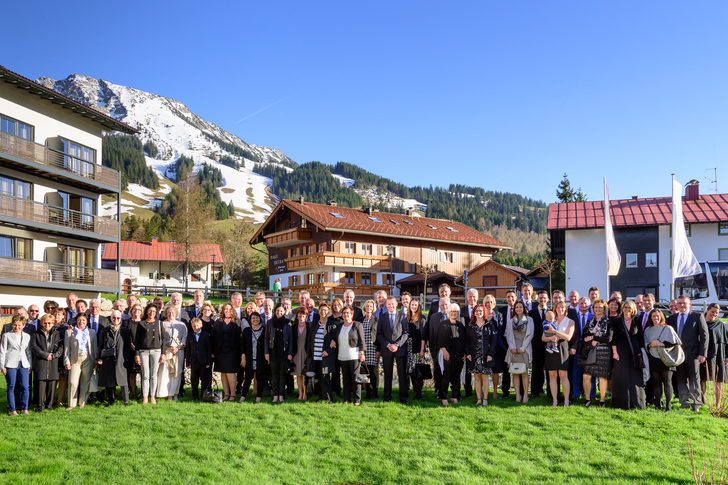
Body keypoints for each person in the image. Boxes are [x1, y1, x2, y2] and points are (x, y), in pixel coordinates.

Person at [667, 295, 708, 412]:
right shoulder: (672, 318)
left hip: (693, 354)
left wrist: (702, 353)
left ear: (689, 304)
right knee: (680, 378)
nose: (681, 305)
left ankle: (696, 403)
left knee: (694, 379)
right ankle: (684, 401)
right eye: (679, 303)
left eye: (684, 303)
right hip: (677, 355)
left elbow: (705, 336)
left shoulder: (697, 316)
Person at [610, 300, 646, 410]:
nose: (627, 309)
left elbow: (640, 337)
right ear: (622, 309)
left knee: (635, 377)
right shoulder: (617, 321)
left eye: (629, 307)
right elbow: (614, 338)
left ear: (633, 309)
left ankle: (637, 403)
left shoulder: (637, 320)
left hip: (635, 351)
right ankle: (621, 403)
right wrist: (615, 353)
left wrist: (642, 353)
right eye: (625, 307)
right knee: (621, 376)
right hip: (621, 351)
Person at [644, 309, 680, 410]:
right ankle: (658, 404)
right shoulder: (648, 330)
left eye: (657, 316)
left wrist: (661, 344)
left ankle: (668, 405)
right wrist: (651, 344)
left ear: (661, 317)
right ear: (650, 318)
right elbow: (645, 344)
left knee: (667, 381)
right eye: (653, 316)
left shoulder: (668, 328)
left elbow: (675, 343)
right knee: (656, 381)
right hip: (653, 357)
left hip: (666, 358)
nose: (656, 318)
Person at [377, 296, 410, 404]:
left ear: (396, 304)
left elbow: (406, 333)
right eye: (389, 304)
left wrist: (397, 345)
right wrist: (387, 345)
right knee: (387, 374)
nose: (391, 306)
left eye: (392, 304)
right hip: (387, 350)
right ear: (386, 305)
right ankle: (387, 397)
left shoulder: (403, 316)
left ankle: (403, 398)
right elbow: (379, 334)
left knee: (402, 375)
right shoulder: (382, 317)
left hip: (400, 349)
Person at [330, 306, 366, 405]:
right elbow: (333, 336)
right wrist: (332, 341)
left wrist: (362, 353)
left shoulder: (357, 325)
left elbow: (362, 340)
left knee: (355, 378)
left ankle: (357, 399)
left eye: (348, 313)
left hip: (354, 355)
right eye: (344, 313)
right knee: (345, 378)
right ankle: (346, 398)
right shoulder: (339, 326)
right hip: (342, 355)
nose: (346, 314)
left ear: (352, 314)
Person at [580, 299, 612, 407]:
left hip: (603, 352)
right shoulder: (590, 321)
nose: (598, 309)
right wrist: (587, 339)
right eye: (596, 307)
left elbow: (609, 338)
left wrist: (594, 337)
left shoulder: (608, 321)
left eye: (600, 307)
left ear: (604, 308)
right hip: (590, 351)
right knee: (586, 376)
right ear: (593, 309)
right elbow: (584, 335)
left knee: (602, 377)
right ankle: (587, 399)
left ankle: (602, 400)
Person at [96, 311, 132, 406]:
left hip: (121, 358)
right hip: (107, 358)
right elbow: (100, 345)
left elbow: (128, 346)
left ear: (121, 319)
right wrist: (99, 358)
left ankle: (126, 401)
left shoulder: (125, 331)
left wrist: (126, 358)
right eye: (114, 318)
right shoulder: (104, 331)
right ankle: (110, 400)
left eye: (118, 318)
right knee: (109, 381)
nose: (116, 320)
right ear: (111, 318)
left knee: (123, 381)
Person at [543, 301, 574, 407]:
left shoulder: (570, 321)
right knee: (552, 376)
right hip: (551, 348)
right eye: (558, 307)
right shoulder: (551, 320)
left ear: (565, 309)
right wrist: (551, 337)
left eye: (562, 307)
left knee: (563, 376)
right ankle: (555, 400)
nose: (560, 309)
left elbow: (568, 337)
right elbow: (543, 337)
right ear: (555, 309)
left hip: (562, 348)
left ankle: (566, 400)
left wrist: (555, 332)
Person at [0, 315, 33, 415]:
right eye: (14, 325)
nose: (16, 327)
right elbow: (2, 351)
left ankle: (24, 408)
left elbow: (28, 352)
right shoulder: (6, 335)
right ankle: (12, 409)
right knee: (11, 386)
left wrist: (29, 365)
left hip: (23, 364)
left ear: (23, 325)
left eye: (19, 325)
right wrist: (2, 366)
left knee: (25, 387)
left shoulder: (27, 336)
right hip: (10, 364)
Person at [31, 314, 64, 411]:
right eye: (45, 323)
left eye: (49, 323)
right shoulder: (35, 334)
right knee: (40, 384)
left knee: (52, 384)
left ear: (53, 323)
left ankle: (49, 405)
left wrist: (54, 355)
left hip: (53, 362)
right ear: (41, 323)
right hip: (41, 362)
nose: (47, 325)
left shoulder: (57, 334)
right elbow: (34, 347)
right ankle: (40, 405)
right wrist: (45, 355)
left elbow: (61, 347)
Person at [465, 303, 496, 406]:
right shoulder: (470, 325)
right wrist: (468, 353)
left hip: (486, 355)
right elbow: (467, 342)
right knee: (477, 377)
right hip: (474, 356)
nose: (479, 312)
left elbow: (494, 341)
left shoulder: (489, 324)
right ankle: (479, 398)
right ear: (474, 313)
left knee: (485, 377)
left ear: (484, 312)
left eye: (480, 311)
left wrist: (491, 354)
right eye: (476, 311)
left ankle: (485, 399)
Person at [64, 314, 97, 410]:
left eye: (83, 320)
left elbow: (94, 347)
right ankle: (71, 404)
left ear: (86, 321)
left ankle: (82, 402)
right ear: (76, 321)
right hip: (75, 359)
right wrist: (66, 361)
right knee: (73, 382)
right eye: (79, 320)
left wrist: (95, 360)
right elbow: (67, 348)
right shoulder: (70, 332)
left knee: (85, 381)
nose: (81, 322)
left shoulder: (92, 332)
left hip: (88, 358)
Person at [307, 302, 338, 403]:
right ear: (318, 310)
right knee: (319, 378)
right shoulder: (315, 324)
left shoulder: (331, 326)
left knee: (325, 378)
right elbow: (310, 339)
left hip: (325, 356)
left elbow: (335, 343)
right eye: (321, 309)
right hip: (316, 355)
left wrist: (328, 352)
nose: (323, 312)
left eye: (325, 310)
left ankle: (329, 399)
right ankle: (321, 397)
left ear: (328, 311)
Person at [211, 302, 242, 402]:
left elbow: (242, 337)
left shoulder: (237, 321)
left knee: (231, 372)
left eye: (229, 309)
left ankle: (233, 394)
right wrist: (213, 351)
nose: (227, 311)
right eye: (225, 309)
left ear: (232, 310)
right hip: (220, 351)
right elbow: (213, 337)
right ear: (223, 310)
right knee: (223, 372)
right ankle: (226, 394)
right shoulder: (218, 322)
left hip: (233, 352)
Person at [134, 304, 164, 405]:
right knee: (145, 375)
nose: (152, 313)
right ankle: (145, 397)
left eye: (154, 311)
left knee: (154, 375)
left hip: (156, 351)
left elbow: (163, 339)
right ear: (147, 311)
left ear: (156, 313)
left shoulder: (159, 323)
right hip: (144, 351)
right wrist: (137, 354)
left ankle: (152, 396)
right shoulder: (141, 324)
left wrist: (163, 353)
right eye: (150, 311)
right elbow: (137, 340)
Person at [437, 303, 466, 406]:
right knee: (446, 375)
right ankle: (444, 397)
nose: (454, 313)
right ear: (449, 312)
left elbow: (464, 340)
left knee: (456, 376)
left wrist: (465, 353)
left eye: (456, 311)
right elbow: (440, 340)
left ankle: (454, 396)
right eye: (452, 311)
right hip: (448, 354)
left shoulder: (461, 325)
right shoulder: (443, 324)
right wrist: (444, 351)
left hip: (460, 355)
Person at [156, 306, 187, 401]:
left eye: (172, 312)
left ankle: (175, 394)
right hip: (166, 351)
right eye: (168, 312)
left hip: (178, 351)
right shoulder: (162, 324)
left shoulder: (182, 325)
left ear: (176, 313)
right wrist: (168, 347)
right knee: (165, 373)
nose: (171, 314)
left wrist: (177, 348)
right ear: (166, 313)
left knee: (176, 373)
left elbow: (184, 337)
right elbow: (159, 338)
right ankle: (166, 394)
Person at [506, 301, 534, 403]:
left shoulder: (529, 320)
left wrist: (522, 348)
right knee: (515, 373)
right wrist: (512, 347)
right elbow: (508, 336)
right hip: (513, 350)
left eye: (520, 307)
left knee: (524, 373)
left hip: (524, 350)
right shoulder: (510, 321)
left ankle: (525, 395)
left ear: (524, 308)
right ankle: (518, 395)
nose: (518, 309)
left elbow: (530, 334)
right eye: (516, 307)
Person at [265, 304, 293, 403]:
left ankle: (281, 395)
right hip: (273, 352)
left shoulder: (288, 323)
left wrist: (290, 353)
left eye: (281, 311)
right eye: (277, 310)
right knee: (274, 375)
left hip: (284, 353)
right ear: (274, 311)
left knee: (282, 374)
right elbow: (266, 338)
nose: (279, 312)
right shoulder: (270, 322)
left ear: (284, 312)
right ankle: (275, 395)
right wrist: (266, 352)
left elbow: (291, 340)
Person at [701, 303, 728, 407]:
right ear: (707, 310)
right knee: (703, 378)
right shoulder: (701, 322)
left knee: (719, 379)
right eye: (712, 312)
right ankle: (703, 400)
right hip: (705, 354)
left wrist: (727, 356)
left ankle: (718, 403)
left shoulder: (720, 324)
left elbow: (726, 342)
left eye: (717, 313)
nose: (714, 314)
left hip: (719, 354)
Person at [240, 312, 268, 403]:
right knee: (248, 377)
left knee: (260, 377)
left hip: (261, 358)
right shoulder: (246, 331)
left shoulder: (264, 330)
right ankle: (243, 396)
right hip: (249, 357)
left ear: (260, 319)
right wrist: (243, 356)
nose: (255, 320)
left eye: (257, 318)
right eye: (253, 318)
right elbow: (242, 345)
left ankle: (259, 396)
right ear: (250, 320)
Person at [484, 295, 506, 401]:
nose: (489, 304)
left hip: (496, 347)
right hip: (484, 347)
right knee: (484, 370)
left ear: (494, 304)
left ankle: (495, 391)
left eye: (491, 302)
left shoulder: (499, 315)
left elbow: (500, 330)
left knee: (496, 371)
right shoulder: (481, 315)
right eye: (487, 302)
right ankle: (484, 392)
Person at [428, 297, 450, 396]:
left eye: (446, 304)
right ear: (439, 306)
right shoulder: (434, 317)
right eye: (442, 305)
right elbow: (431, 334)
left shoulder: (454, 316)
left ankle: (454, 392)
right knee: (438, 370)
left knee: (451, 371)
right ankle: (438, 389)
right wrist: (432, 351)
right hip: (437, 348)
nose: (444, 307)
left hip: (451, 349)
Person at [186, 317, 212, 402]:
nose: (195, 327)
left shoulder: (205, 335)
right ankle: (195, 396)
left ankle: (203, 395)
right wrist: (187, 363)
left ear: (201, 325)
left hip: (203, 361)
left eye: (197, 326)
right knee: (194, 379)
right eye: (193, 326)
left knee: (204, 379)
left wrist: (208, 362)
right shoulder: (190, 336)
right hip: (194, 361)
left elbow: (209, 349)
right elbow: (188, 350)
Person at [407, 298, 428, 400]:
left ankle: (419, 393)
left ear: (418, 306)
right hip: (408, 348)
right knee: (411, 370)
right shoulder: (407, 318)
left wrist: (422, 349)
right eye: (412, 305)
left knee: (418, 371)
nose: (414, 307)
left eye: (415, 305)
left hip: (417, 347)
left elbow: (423, 336)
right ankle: (415, 390)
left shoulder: (422, 318)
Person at [498, 290, 518, 398]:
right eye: (508, 297)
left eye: (512, 297)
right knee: (506, 368)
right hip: (505, 341)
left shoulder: (520, 309)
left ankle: (519, 391)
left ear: (516, 297)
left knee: (518, 366)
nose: (510, 299)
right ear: (506, 299)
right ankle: (505, 391)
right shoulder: (501, 310)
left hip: (517, 341)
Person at [360, 299, 380, 399]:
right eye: (367, 306)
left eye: (371, 306)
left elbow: (379, 335)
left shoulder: (376, 320)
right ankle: (367, 391)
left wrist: (378, 350)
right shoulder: (361, 320)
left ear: (373, 308)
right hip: (363, 348)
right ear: (365, 307)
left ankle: (374, 391)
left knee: (372, 371)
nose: (369, 308)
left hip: (373, 348)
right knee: (365, 370)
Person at [124, 303, 144, 400]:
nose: (137, 311)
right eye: (135, 309)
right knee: (132, 373)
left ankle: (142, 393)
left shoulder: (144, 322)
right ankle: (133, 394)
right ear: (131, 311)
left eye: (139, 309)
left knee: (143, 373)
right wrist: (131, 345)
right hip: (130, 350)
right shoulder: (126, 323)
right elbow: (125, 336)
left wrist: (139, 348)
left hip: (143, 350)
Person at [291, 307, 310, 400]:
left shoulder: (309, 326)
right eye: (299, 314)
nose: (301, 316)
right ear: (297, 315)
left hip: (306, 352)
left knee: (305, 374)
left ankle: (305, 393)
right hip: (297, 352)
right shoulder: (293, 326)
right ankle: (300, 393)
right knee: (298, 374)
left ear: (306, 316)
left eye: (303, 314)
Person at [52, 308, 70, 407]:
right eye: (55, 314)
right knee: (53, 378)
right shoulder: (48, 326)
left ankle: (60, 400)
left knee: (62, 378)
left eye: (59, 314)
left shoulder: (67, 327)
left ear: (63, 316)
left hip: (62, 355)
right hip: (52, 356)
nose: (57, 317)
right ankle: (51, 399)